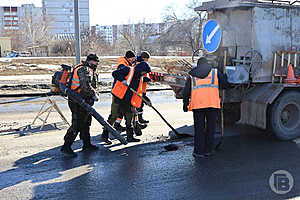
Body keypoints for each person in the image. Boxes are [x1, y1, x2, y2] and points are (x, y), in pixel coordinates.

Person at [183, 57, 230, 158]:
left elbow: (186, 91)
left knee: (199, 129)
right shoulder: (215, 72)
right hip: (212, 104)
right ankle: (208, 150)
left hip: (198, 105)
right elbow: (225, 85)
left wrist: (185, 104)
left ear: (198, 64)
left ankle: (198, 152)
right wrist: (224, 77)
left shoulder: (192, 74)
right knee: (210, 129)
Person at [102, 59, 151, 143]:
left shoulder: (140, 78)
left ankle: (130, 137)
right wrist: (122, 80)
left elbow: (139, 92)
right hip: (118, 97)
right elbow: (115, 73)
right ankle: (105, 135)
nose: (144, 74)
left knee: (129, 117)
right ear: (140, 70)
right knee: (114, 116)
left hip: (128, 100)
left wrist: (147, 100)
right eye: (144, 72)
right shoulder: (128, 69)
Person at [61, 54, 100, 157]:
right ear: (91, 61)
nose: (97, 64)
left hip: (84, 100)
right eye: (96, 62)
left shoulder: (89, 69)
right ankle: (66, 146)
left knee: (86, 122)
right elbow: (86, 87)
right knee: (77, 124)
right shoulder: (83, 69)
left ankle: (86, 144)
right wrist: (94, 95)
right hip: (77, 101)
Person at [111, 50, 136, 133]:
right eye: (132, 58)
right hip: (119, 90)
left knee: (121, 111)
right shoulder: (122, 64)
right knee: (116, 112)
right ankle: (108, 130)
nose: (133, 59)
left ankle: (117, 125)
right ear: (128, 58)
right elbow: (116, 74)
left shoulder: (128, 63)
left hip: (123, 90)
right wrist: (123, 80)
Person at [136, 51, 152, 124]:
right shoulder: (139, 64)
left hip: (142, 87)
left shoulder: (143, 64)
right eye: (147, 59)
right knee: (138, 104)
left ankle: (140, 119)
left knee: (141, 104)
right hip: (138, 88)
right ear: (143, 58)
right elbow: (138, 77)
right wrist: (148, 80)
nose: (147, 60)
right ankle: (137, 121)